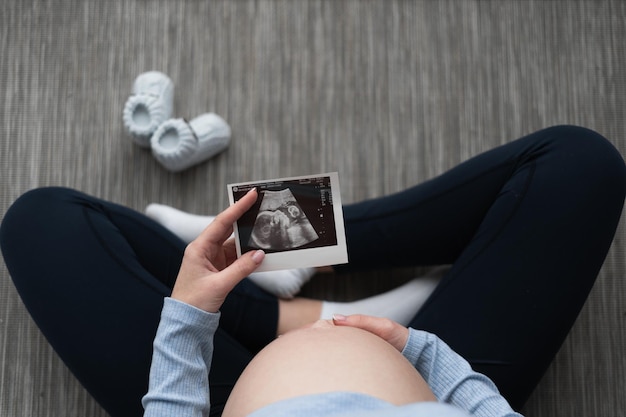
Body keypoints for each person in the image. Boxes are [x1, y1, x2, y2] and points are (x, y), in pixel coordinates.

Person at [1, 125, 624, 417]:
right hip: (423, 376)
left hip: (225, 401)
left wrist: (190, 320)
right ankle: (281, 246)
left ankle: (278, 287)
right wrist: (427, 355)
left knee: (41, 220)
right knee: (579, 165)